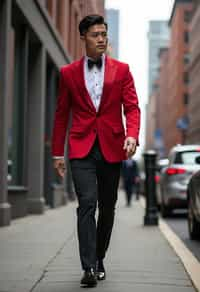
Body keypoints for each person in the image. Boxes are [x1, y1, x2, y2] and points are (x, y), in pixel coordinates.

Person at [51, 14, 140, 288]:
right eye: (95, 35)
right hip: (81, 148)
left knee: (108, 208)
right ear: (83, 38)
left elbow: (132, 107)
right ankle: (88, 267)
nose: (101, 39)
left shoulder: (122, 70)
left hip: (112, 147)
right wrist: (57, 153)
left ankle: (99, 257)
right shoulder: (68, 73)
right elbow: (61, 114)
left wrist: (132, 136)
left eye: (104, 34)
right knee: (87, 204)